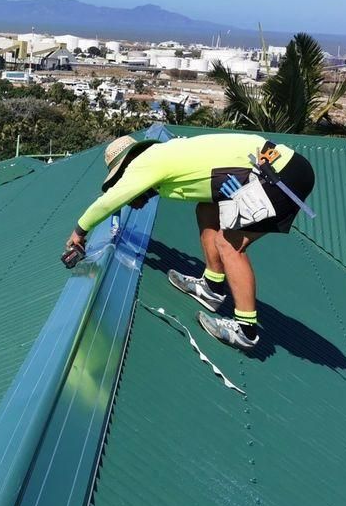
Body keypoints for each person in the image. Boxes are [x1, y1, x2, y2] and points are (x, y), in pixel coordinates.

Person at [65, 132, 315, 351]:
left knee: (229, 244)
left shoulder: (144, 164)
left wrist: (79, 232)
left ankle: (245, 330)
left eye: (121, 177)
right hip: (280, 166)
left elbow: (112, 200)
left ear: (127, 165)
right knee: (206, 208)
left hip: (280, 174)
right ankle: (212, 287)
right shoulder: (165, 152)